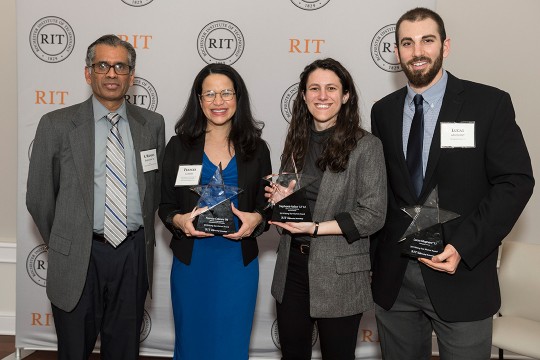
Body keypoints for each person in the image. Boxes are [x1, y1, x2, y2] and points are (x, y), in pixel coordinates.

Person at [370, 7, 534, 360]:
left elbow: (516, 181)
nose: (417, 52)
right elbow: (383, 190)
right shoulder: (382, 111)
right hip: (395, 281)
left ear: (445, 46)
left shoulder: (488, 104)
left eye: (427, 40)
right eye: (407, 43)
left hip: (461, 275)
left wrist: (463, 245)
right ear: (397, 52)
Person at [26, 34, 165, 359]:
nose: (112, 73)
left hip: (132, 255)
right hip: (78, 257)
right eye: (103, 65)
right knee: (73, 351)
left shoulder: (153, 125)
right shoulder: (56, 125)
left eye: (120, 66)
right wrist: (67, 240)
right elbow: (39, 198)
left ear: (132, 76)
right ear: (88, 73)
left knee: (124, 351)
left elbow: (154, 191)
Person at [268, 58, 387, 360]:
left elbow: (373, 214)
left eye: (331, 88)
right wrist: (280, 201)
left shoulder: (366, 146)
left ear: (346, 95)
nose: (323, 96)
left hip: (340, 270)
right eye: (315, 88)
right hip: (292, 266)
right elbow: (294, 203)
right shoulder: (296, 141)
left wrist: (316, 228)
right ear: (304, 95)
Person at [158, 63, 272, 360]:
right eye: (209, 94)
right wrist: (179, 220)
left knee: (231, 344)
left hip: (238, 263)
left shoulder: (257, 149)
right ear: (199, 100)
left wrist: (258, 218)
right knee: (192, 341)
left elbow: (267, 206)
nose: (218, 101)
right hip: (193, 262)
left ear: (238, 97)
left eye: (226, 93)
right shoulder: (178, 146)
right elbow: (166, 205)